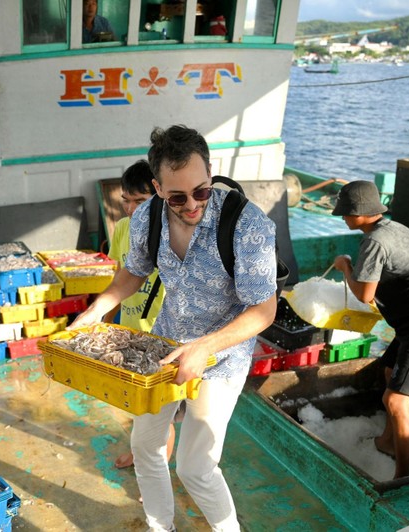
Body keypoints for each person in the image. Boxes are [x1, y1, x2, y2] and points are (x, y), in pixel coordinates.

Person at [72, 125, 278, 531]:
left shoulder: (246, 224)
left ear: (211, 174)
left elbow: (264, 310)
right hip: (163, 348)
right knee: (146, 446)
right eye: (177, 196)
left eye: (201, 191)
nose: (191, 204)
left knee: (196, 467)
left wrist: (206, 346)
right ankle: (159, 526)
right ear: (157, 187)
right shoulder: (147, 215)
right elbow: (133, 272)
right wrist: (97, 309)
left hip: (221, 358)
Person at [331, 180, 409, 479]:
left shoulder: (374, 242)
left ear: (360, 213)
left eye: (345, 212)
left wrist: (346, 267)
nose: (342, 217)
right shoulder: (394, 229)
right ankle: (389, 442)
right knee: (389, 374)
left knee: (396, 400)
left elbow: (364, 295)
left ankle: (402, 479)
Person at [106, 160, 174, 470]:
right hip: (130, 331)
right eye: (126, 201)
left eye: (140, 200)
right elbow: (120, 277)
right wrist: (106, 320)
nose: (132, 209)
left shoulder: (174, 234)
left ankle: (157, 465)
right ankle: (141, 453)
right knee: (137, 404)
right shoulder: (121, 228)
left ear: (159, 196)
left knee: (160, 409)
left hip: (163, 337)